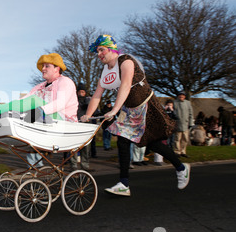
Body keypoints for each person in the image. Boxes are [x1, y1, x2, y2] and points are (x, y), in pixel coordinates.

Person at [81, 34, 190, 196]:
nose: (99, 54)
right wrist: (87, 115)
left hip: (146, 106)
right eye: (97, 51)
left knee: (151, 143)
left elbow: (125, 85)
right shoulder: (105, 71)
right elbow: (97, 95)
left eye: (101, 50)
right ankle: (124, 184)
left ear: (112, 49)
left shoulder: (126, 61)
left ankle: (181, 168)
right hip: (129, 110)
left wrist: (114, 110)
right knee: (123, 142)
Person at [69, 83, 94, 171]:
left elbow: (95, 110)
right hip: (76, 125)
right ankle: (73, 165)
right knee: (74, 146)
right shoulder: (73, 100)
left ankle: (85, 165)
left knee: (86, 147)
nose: (81, 94)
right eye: (80, 92)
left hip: (86, 127)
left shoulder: (89, 100)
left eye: (83, 92)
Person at [174, 91, 193, 157]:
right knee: (177, 139)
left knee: (185, 139)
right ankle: (177, 152)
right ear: (178, 96)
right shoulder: (175, 103)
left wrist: (191, 123)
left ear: (184, 96)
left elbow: (191, 114)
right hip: (178, 124)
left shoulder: (188, 103)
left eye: (182, 95)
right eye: (180, 95)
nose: (181, 96)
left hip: (186, 124)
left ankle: (183, 151)